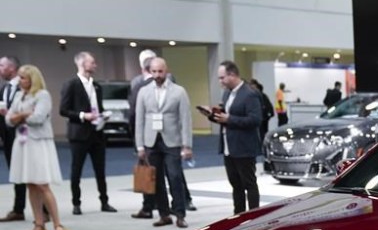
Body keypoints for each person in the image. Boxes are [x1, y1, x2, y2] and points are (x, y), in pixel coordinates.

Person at [5, 65, 70, 230]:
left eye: (23, 77)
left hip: (39, 143)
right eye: (19, 77)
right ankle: (39, 225)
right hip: (23, 144)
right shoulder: (19, 95)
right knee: (30, 184)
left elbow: (38, 118)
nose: (20, 80)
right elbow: (8, 120)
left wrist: (19, 116)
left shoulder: (43, 95)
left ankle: (58, 224)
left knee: (42, 184)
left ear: (32, 79)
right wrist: (23, 114)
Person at [129, 48, 195, 215]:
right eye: (154, 71)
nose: (157, 74)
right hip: (151, 141)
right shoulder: (143, 92)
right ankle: (164, 215)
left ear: (167, 71)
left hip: (172, 140)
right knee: (156, 180)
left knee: (174, 177)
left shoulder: (179, 91)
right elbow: (139, 120)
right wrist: (140, 146)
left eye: (160, 71)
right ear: (149, 72)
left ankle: (180, 213)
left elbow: (186, 120)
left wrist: (187, 145)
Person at [59, 51, 117, 215]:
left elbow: (98, 106)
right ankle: (76, 203)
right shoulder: (71, 84)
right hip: (79, 134)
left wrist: (104, 115)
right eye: (92, 62)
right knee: (76, 170)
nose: (95, 65)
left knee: (100, 170)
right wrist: (83, 116)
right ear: (82, 64)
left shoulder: (96, 86)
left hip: (97, 133)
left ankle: (104, 201)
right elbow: (63, 110)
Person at [211, 60, 262, 214]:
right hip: (229, 146)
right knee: (235, 185)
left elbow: (255, 120)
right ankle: (238, 216)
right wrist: (213, 115)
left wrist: (229, 119)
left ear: (232, 75)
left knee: (249, 184)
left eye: (222, 77)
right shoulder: (227, 93)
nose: (220, 81)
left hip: (244, 147)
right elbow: (227, 115)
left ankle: (254, 217)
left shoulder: (250, 94)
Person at [0, 55, 29, 222]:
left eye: (1, 65)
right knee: (16, 174)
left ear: (11, 68)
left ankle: (45, 209)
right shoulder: (4, 88)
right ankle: (18, 210)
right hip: (9, 139)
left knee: (32, 175)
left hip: (24, 137)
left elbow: (28, 110)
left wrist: (10, 114)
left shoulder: (24, 86)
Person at [249, 78, 274, 143]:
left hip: (263, 116)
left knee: (262, 132)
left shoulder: (258, 95)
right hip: (263, 116)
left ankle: (263, 145)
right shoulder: (262, 94)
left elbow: (266, 105)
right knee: (263, 132)